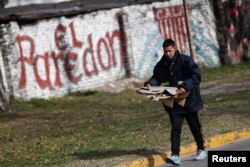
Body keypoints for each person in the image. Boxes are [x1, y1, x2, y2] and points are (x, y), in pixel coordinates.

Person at [144, 39, 207, 165]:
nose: (167, 54)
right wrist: (150, 85)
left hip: (188, 101)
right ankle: (175, 155)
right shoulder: (161, 65)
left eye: (169, 51)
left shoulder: (185, 60)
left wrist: (185, 86)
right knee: (176, 128)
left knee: (194, 126)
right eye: (165, 51)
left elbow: (196, 76)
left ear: (175, 49)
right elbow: (157, 77)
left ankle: (201, 149)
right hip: (173, 103)